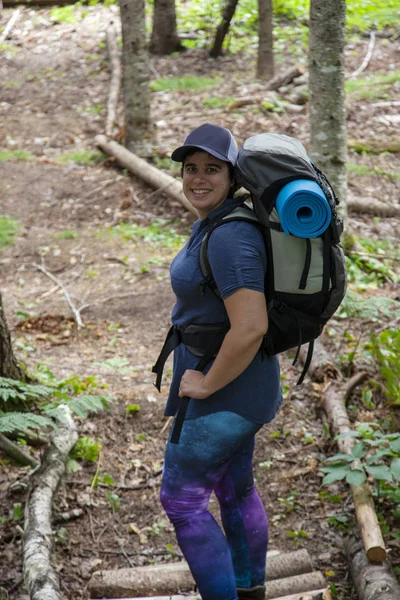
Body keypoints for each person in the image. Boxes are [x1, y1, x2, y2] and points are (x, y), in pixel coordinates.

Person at [156, 123, 283, 600]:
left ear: (233, 176)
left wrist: (206, 384)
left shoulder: (232, 237)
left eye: (212, 168)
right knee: (235, 489)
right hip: (245, 385)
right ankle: (249, 590)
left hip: (228, 390)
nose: (198, 178)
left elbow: (249, 326)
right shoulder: (218, 222)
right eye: (191, 169)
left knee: (183, 501)